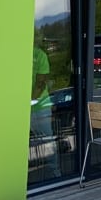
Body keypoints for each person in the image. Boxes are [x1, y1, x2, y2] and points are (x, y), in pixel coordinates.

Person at [30, 43, 60, 179]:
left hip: (40, 106)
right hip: (29, 106)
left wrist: (30, 101)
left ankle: (55, 173)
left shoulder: (39, 55)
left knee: (47, 140)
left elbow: (40, 83)